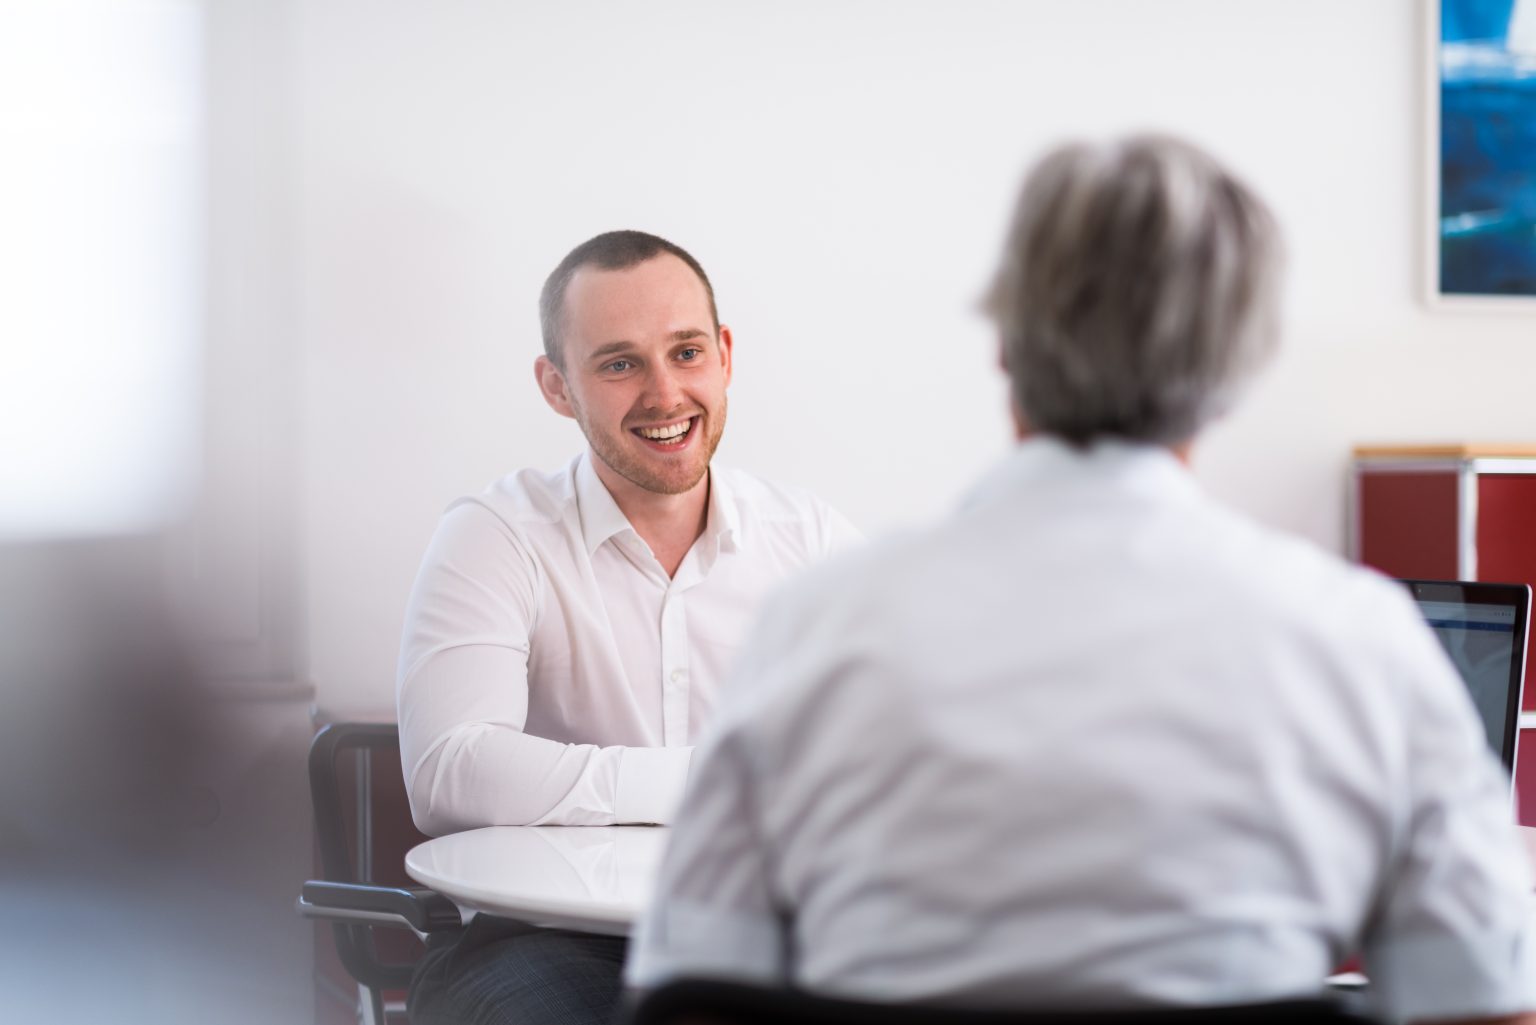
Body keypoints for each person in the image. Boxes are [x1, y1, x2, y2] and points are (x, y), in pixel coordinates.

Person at [626, 137, 1536, 1024]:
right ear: (1235, 370)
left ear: (1007, 347)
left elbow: (698, 991)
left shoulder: (816, 626)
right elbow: (1480, 1001)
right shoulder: (1360, 641)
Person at [398, 230, 859, 1025]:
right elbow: (449, 771)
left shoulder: (810, 539)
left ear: (723, 354)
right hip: (537, 942)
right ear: (556, 385)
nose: (664, 393)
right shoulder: (495, 533)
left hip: (761, 935)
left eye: (685, 352)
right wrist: (709, 781)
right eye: (619, 363)